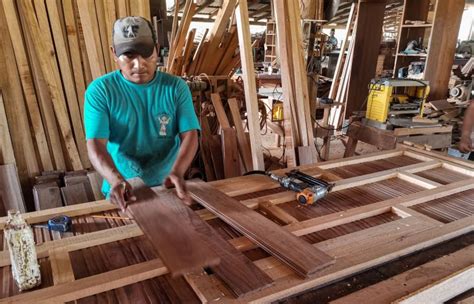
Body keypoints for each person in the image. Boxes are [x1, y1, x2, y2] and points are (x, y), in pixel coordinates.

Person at [84, 16, 200, 209]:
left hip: (168, 186)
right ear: (114, 53)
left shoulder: (176, 88)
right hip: (124, 190)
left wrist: (178, 171)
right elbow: (96, 143)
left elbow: (190, 134)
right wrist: (115, 180)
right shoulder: (101, 91)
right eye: (129, 56)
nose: (139, 64)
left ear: (156, 48)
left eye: (147, 54)